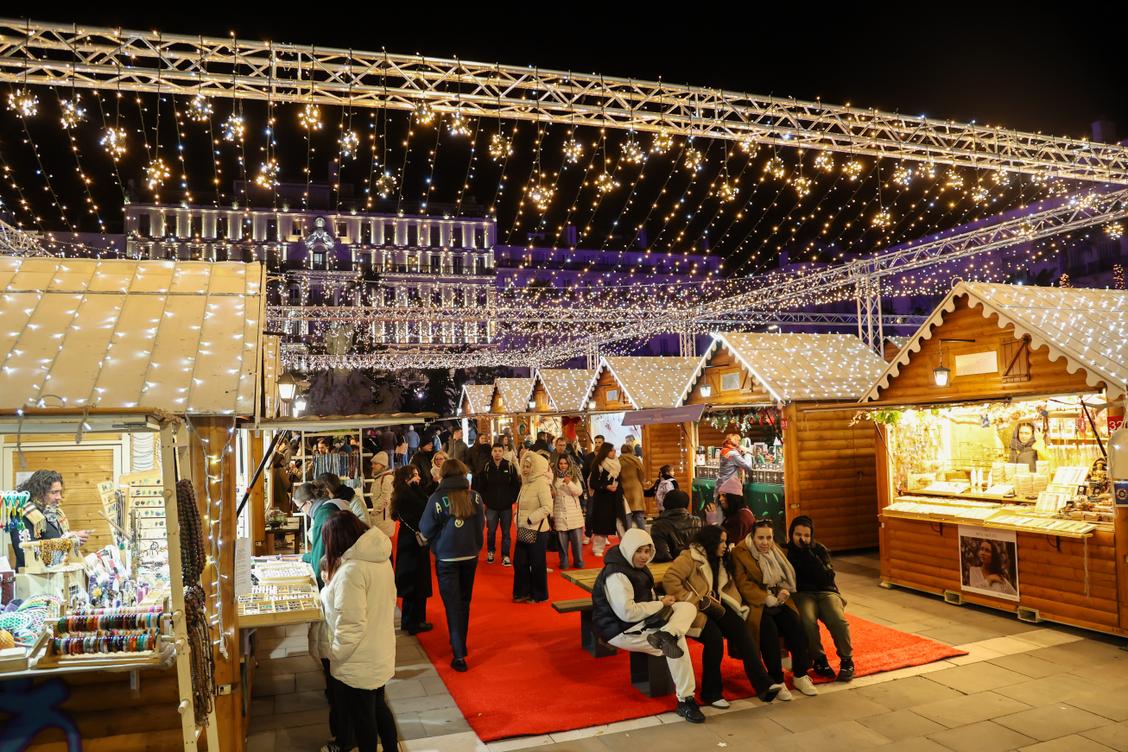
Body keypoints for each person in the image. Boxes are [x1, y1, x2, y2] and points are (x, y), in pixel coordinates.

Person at [590, 528, 705, 724]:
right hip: (621, 629)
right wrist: (660, 604)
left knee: (687, 607)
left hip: (642, 620)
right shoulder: (616, 574)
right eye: (639, 551)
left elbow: (642, 597)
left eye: (647, 551)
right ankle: (686, 699)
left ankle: (666, 634)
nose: (644, 556)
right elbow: (627, 612)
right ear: (628, 549)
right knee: (678, 644)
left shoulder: (632, 565)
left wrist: (661, 601)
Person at [663, 526, 783, 706]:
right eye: (721, 541)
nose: (725, 545)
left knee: (742, 629)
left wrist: (737, 606)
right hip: (693, 611)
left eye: (726, 541)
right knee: (714, 638)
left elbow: (726, 587)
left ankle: (764, 685)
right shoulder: (689, 557)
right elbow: (670, 579)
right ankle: (711, 692)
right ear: (710, 542)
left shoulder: (719, 559)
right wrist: (692, 599)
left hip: (715, 606)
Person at [321, 512, 398, 752]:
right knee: (377, 706)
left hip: (359, 657)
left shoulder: (351, 571)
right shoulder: (379, 559)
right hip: (379, 647)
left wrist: (333, 654)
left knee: (364, 717)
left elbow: (351, 624)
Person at [730, 519, 818, 698]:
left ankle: (800, 674)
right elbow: (742, 584)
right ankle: (776, 679)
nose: (765, 542)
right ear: (752, 537)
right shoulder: (740, 552)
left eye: (769, 538)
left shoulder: (774, 548)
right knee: (768, 630)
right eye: (760, 538)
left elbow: (783, 575)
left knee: (795, 624)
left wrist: (783, 590)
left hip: (778, 599)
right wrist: (765, 598)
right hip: (754, 603)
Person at [419, 459, 484, 671]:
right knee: (464, 602)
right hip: (469, 556)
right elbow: (481, 524)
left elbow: (426, 528)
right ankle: (459, 643)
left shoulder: (437, 498)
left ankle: (458, 653)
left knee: (452, 605)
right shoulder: (474, 497)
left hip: (447, 558)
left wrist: (438, 541)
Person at [787, 515, 854, 682]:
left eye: (806, 535)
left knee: (837, 619)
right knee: (807, 620)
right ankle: (819, 659)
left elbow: (827, 578)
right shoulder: (786, 552)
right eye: (798, 535)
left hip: (826, 591)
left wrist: (809, 554)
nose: (802, 539)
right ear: (791, 534)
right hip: (802, 593)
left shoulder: (819, 550)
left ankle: (847, 659)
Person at [308, 556, 353, 752]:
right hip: (331, 651)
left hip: (333, 652)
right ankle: (342, 736)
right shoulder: (328, 590)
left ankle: (342, 740)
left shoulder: (330, 593)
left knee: (338, 699)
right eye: (323, 571)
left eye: (329, 571)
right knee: (337, 696)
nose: (325, 575)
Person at [9, 470, 90, 570]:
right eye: (54, 492)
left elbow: (58, 539)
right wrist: (66, 541)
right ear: (39, 492)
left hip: (55, 574)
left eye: (60, 492)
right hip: (35, 578)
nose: (59, 497)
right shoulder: (23, 514)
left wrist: (73, 539)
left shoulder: (54, 512)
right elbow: (26, 554)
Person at [391, 465, 433, 635]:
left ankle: (413, 620)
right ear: (406, 478)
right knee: (415, 581)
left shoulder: (405, 493)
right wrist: (418, 489)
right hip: (412, 541)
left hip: (410, 540)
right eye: (414, 475)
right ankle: (414, 622)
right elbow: (424, 506)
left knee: (415, 581)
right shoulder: (407, 495)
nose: (418, 478)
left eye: (418, 474)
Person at [513, 451, 553, 603]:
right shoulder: (525, 483)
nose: (525, 469)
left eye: (529, 466)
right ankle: (523, 592)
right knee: (519, 562)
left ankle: (539, 594)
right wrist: (517, 519)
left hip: (537, 530)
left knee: (537, 564)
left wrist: (531, 519)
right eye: (524, 466)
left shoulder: (541, 483)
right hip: (523, 529)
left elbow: (547, 506)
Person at [474, 443, 520, 566]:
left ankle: (505, 555)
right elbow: (481, 486)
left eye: (500, 450)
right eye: (495, 450)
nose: (498, 453)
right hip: (491, 507)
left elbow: (516, 485)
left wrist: (511, 499)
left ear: (503, 452)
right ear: (492, 452)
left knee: (506, 533)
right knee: (491, 532)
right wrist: (486, 501)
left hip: (506, 506)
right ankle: (491, 551)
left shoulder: (509, 466)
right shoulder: (487, 467)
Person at [587, 442, 624, 557]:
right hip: (602, 500)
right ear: (606, 452)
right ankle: (598, 548)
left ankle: (626, 547)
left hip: (616, 498)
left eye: (614, 450)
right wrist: (605, 486)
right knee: (601, 525)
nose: (614, 452)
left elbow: (620, 480)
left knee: (621, 524)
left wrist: (619, 490)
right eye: (612, 450)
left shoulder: (617, 464)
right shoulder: (598, 465)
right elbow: (593, 483)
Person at [298, 481, 336, 589]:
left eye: (300, 508)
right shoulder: (329, 507)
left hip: (330, 575)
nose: (302, 512)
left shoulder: (322, 516)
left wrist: (318, 586)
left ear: (308, 503)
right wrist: (306, 557)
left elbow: (320, 554)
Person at [551, 455, 586, 570]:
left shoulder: (574, 477)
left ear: (569, 464)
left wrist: (569, 483)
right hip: (560, 513)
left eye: (565, 463)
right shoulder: (554, 478)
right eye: (561, 464)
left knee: (577, 545)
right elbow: (552, 496)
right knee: (562, 544)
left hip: (574, 514)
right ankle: (564, 563)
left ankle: (579, 563)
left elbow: (579, 492)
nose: (563, 466)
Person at [649, 490, 702, 563]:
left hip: (671, 568)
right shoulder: (697, 521)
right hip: (696, 566)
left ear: (665, 503)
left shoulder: (658, 526)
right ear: (686, 504)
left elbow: (662, 556)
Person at [716, 433, 755, 503]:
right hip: (729, 489)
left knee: (722, 511)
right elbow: (748, 466)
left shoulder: (724, 450)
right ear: (735, 442)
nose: (740, 444)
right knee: (731, 510)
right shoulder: (733, 454)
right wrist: (747, 452)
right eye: (739, 441)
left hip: (721, 485)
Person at [619, 443, 647, 530]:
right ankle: (644, 537)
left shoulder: (618, 460)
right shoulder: (636, 460)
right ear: (632, 450)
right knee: (639, 515)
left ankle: (628, 537)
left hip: (624, 488)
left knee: (627, 515)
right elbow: (642, 474)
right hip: (636, 488)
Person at [368, 452, 396, 539]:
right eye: (372, 463)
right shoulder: (379, 478)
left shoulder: (387, 478)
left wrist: (371, 512)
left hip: (383, 522)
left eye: (376, 464)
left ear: (383, 465)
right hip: (379, 521)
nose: (372, 466)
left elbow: (385, 499)